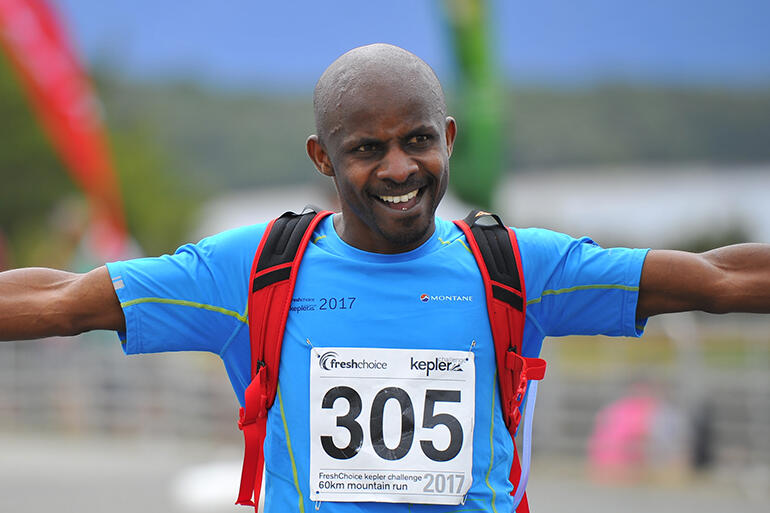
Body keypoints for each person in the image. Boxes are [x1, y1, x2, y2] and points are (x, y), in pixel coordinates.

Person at [1, 43, 769, 512]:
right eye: (366, 147)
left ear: (450, 139)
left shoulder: (517, 265)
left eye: (418, 140)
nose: (398, 168)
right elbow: (65, 301)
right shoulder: (257, 267)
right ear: (321, 157)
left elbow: (715, 278)